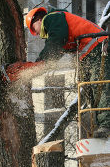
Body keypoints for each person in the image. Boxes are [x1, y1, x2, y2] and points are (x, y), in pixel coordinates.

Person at [25, 7, 110, 138]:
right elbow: (57, 49)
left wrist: (41, 61)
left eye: (34, 29)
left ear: (38, 20)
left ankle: (106, 125)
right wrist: (44, 63)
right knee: (88, 89)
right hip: (89, 54)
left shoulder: (51, 18)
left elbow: (56, 41)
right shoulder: (59, 23)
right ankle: (99, 124)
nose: (36, 33)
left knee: (99, 85)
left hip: (99, 48)